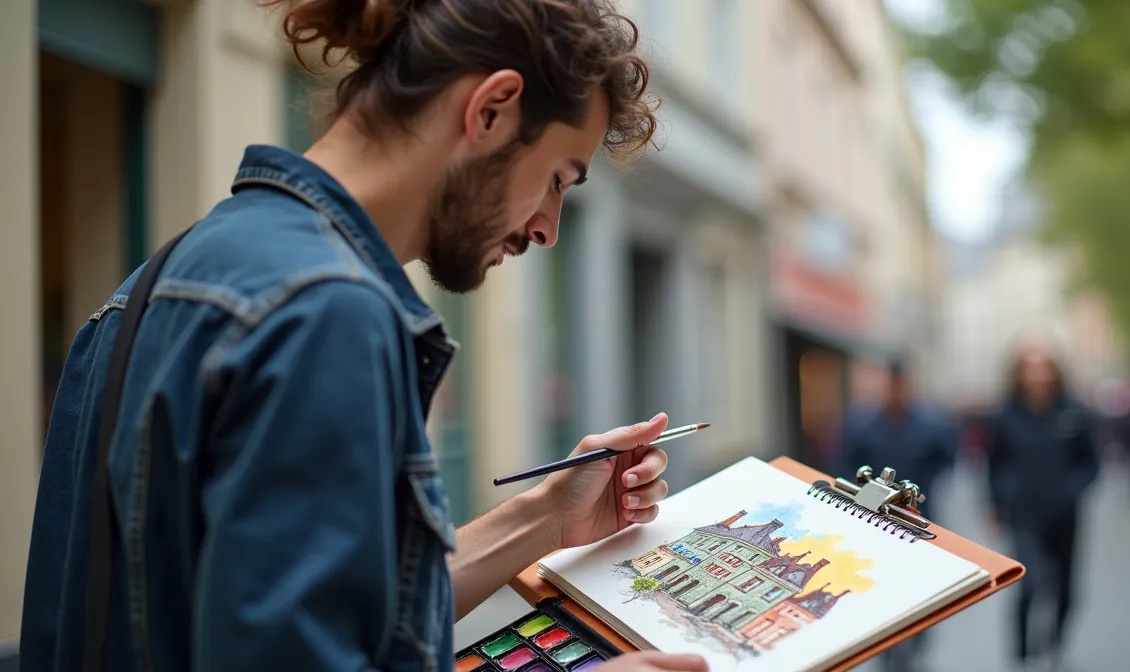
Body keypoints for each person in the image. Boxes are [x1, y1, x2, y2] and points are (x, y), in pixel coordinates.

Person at [20, 2, 707, 671]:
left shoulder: (161, 279)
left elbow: (345, 617)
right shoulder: (328, 313)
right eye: (556, 180)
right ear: (491, 109)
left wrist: (547, 518)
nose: (547, 229)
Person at [987, 344, 1100, 672]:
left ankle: (1055, 641)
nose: (1037, 375)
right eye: (1030, 367)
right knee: (1028, 582)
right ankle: (1022, 655)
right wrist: (998, 502)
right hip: (1024, 515)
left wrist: (1071, 491)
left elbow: (1091, 463)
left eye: (1043, 367)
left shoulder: (1073, 413)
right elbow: (994, 464)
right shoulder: (1006, 415)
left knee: (1067, 589)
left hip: (1065, 515)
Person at [840, 355, 956, 672]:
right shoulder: (863, 425)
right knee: (880, 582)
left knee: (920, 583)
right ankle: (887, 645)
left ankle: (915, 641)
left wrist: (925, 485)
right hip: (876, 521)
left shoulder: (929, 424)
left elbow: (947, 458)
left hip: (918, 517)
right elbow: (846, 463)